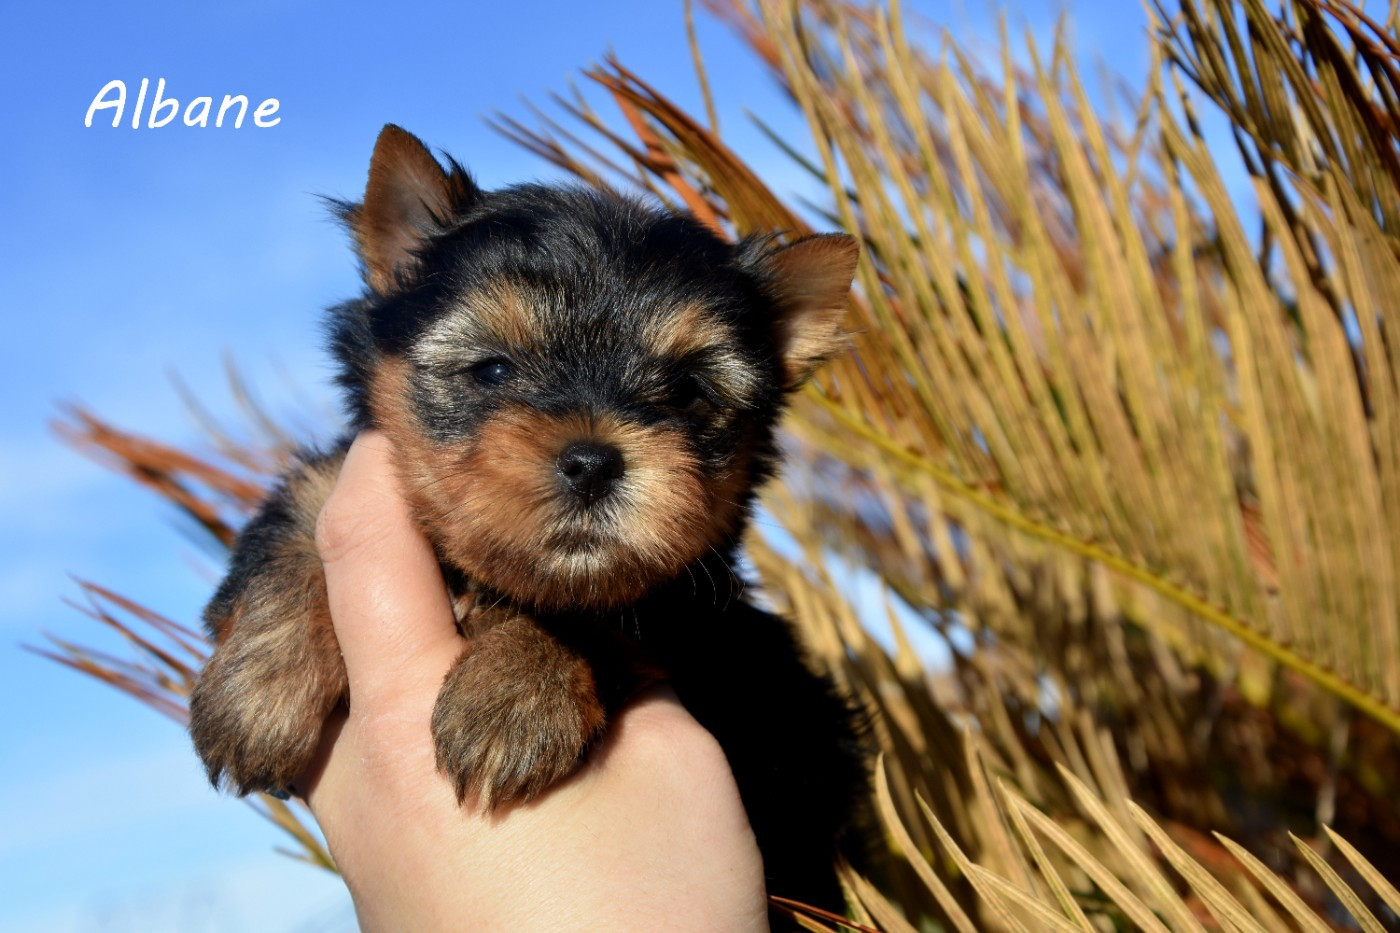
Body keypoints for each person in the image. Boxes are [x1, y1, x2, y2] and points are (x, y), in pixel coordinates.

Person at [297, 431, 771, 930]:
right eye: (491, 370)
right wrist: (291, 605)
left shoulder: (750, 691)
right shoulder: (344, 497)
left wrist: (569, 657)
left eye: (684, 392)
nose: (591, 455)